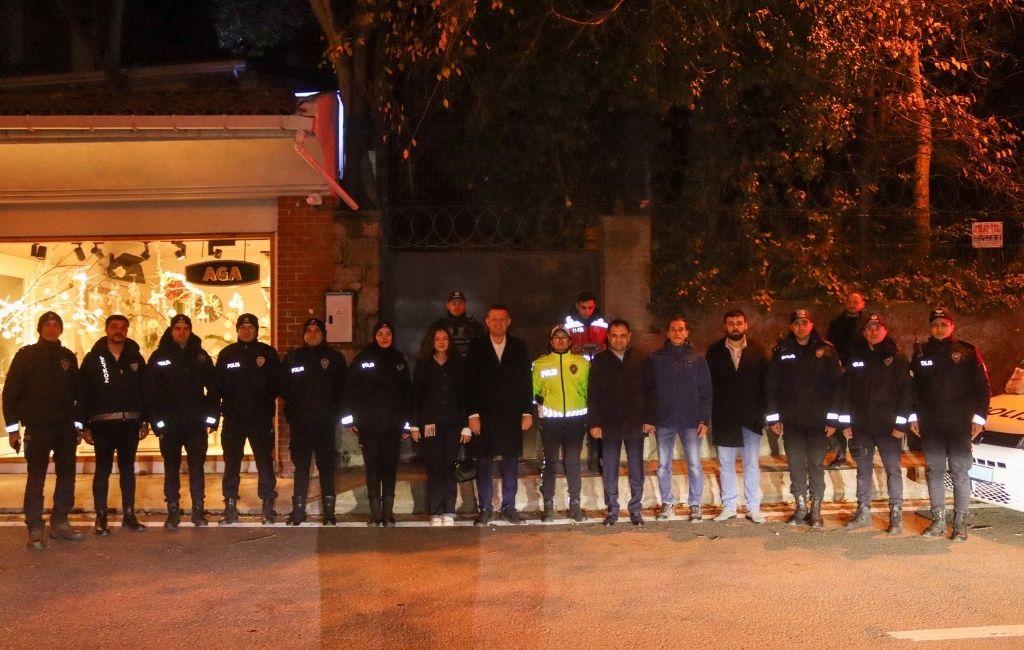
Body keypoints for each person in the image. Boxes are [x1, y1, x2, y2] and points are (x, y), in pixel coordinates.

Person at [2, 311, 83, 549]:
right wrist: (13, 429)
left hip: (65, 428)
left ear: (61, 329)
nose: (52, 328)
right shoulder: (26, 356)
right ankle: (35, 527)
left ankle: (60, 522)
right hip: (37, 427)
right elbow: (10, 394)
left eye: (56, 325)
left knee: (67, 475)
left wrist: (78, 425)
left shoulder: (68, 357)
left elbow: (78, 394)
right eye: (47, 325)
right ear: (40, 328)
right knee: (36, 478)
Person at [909, 307, 990, 542]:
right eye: (935, 324)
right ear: (930, 327)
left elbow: (982, 387)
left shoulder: (967, 352)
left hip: (958, 423)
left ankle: (960, 524)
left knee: (959, 471)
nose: (939, 328)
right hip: (931, 424)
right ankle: (938, 521)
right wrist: (913, 416)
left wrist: (979, 419)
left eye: (943, 324)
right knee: (934, 471)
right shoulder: (921, 353)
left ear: (952, 326)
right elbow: (912, 389)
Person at [765, 309, 842, 528]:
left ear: (811, 325)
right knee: (796, 465)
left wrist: (833, 421)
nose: (801, 327)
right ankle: (800, 508)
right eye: (797, 323)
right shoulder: (782, 351)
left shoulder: (826, 351)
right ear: (792, 327)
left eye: (804, 322)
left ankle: (816, 510)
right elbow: (771, 386)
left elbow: (837, 387)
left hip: (818, 422)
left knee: (816, 465)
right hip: (792, 421)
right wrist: (774, 418)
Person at [836, 313, 913, 534]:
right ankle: (863, 512)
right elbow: (846, 392)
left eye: (877, 327)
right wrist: (846, 423)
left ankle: (896, 514)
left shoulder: (897, 360)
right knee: (863, 471)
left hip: (889, 429)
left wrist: (901, 425)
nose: (873, 331)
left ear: (885, 330)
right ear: (864, 333)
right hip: (861, 427)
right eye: (869, 328)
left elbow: (907, 394)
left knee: (893, 470)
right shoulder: (856, 359)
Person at [145, 314, 219, 528]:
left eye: (185, 328)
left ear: (190, 330)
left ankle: (198, 511)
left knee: (197, 467)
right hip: (170, 425)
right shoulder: (159, 356)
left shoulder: (201, 356)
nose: (181, 332)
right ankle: (173, 512)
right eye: (177, 328)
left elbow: (214, 389)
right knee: (171, 468)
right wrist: (157, 424)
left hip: (195, 424)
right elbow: (150, 392)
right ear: (171, 331)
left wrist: (211, 419)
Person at [464, 305, 533, 526]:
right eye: (494, 319)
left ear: (509, 322)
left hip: (512, 413)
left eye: (502, 319)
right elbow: (470, 382)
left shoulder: (519, 346)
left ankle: (509, 507)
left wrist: (527, 411)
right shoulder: (477, 346)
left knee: (510, 462)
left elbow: (526, 381)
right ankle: (485, 508)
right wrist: (472, 414)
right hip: (484, 414)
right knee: (483, 462)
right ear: (487, 322)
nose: (498, 322)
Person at [79, 315, 148, 534]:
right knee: (103, 470)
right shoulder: (93, 358)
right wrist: (85, 426)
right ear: (107, 329)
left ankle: (129, 514)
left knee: (128, 470)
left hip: (130, 424)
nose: (119, 330)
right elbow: (83, 392)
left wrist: (144, 420)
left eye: (123, 327)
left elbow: (145, 390)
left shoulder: (135, 357)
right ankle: (101, 517)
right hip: (102, 425)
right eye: (114, 327)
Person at [644, 315, 713, 522]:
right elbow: (649, 390)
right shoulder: (656, 358)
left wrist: (705, 419)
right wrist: (649, 418)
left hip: (691, 421)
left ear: (687, 332)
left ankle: (695, 504)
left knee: (694, 465)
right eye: (674, 329)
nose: (677, 333)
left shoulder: (697, 358)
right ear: (668, 332)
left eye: (681, 329)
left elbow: (706, 391)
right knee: (664, 465)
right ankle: (667, 503)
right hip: (664, 420)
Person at [216, 313, 282, 525]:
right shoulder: (227, 354)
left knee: (264, 462)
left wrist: (263, 401)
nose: (246, 331)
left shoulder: (267, 353)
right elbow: (217, 386)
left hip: (260, 419)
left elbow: (277, 384)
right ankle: (230, 505)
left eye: (251, 327)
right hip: (233, 419)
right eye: (243, 327)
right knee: (232, 463)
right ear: (237, 330)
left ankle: (268, 505)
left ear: (256, 330)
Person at [344, 321, 412, 527]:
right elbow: (349, 390)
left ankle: (388, 513)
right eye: (380, 333)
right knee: (372, 468)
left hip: (393, 426)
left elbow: (408, 395)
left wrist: (407, 425)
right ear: (374, 336)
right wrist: (349, 419)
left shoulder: (399, 360)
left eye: (388, 333)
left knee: (390, 469)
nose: (384, 337)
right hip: (369, 426)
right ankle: (375, 514)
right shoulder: (363, 358)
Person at [282, 317, 348, 526]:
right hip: (300, 425)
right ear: (303, 335)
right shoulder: (293, 358)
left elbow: (344, 389)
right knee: (301, 468)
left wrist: (336, 414)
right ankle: (298, 511)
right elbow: (284, 388)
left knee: (326, 467)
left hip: (325, 425)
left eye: (316, 331)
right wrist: (291, 413)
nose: (312, 334)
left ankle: (329, 513)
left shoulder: (334, 358)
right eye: (308, 331)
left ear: (323, 334)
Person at [705, 309, 769, 524]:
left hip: (751, 417)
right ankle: (729, 506)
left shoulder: (758, 350)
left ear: (746, 325)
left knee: (751, 463)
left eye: (739, 322)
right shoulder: (714, 351)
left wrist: (766, 413)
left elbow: (766, 384)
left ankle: (753, 507)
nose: (735, 326)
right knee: (726, 464)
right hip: (724, 417)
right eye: (731, 323)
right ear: (725, 326)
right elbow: (708, 385)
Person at [588, 319, 648, 526]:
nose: (619, 339)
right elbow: (593, 394)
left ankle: (635, 510)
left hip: (635, 422)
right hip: (608, 424)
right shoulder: (599, 361)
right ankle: (612, 510)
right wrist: (594, 423)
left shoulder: (641, 358)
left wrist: (649, 419)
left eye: (623, 335)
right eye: (614, 335)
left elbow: (651, 390)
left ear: (629, 337)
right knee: (609, 469)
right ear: (608, 337)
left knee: (636, 469)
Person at [410, 325, 469, 526]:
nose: (441, 342)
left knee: (449, 467)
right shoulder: (423, 365)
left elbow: (464, 396)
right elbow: (416, 396)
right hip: (430, 424)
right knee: (434, 467)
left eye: (445, 338)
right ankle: (435, 511)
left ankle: (449, 510)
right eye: (437, 338)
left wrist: (465, 425)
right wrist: (414, 425)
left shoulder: (458, 364)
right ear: (431, 341)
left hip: (453, 424)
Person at [533, 324, 590, 523]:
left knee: (572, 462)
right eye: (556, 337)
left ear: (570, 341)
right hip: (551, 421)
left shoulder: (581, 363)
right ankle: (548, 505)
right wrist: (539, 407)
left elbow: (588, 390)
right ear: (551, 342)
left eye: (564, 337)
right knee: (551, 463)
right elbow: (534, 391)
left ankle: (575, 504)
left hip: (576, 420)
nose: (560, 340)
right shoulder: (540, 364)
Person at [564, 291, 609, 473]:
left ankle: (597, 456)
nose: (587, 311)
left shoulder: (602, 323)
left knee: (599, 417)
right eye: (583, 308)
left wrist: (605, 348)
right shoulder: (567, 323)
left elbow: (614, 344)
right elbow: (555, 346)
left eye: (590, 307)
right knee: (577, 419)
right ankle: (572, 460)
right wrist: (570, 349)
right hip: (575, 375)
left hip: (598, 373)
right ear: (577, 305)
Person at [825, 291, 868, 467]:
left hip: (861, 374)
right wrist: (837, 365)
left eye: (856, 301)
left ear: (863, 303)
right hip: (839, 373)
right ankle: (840, 452)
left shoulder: (868, 323)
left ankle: (859, 452)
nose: (852, 304)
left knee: (858, 412)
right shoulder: (836, 323)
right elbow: (830, 346)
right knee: (838, 412)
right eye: (849, 301)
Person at [433, 290, 485, 360]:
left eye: (460, 303)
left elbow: (483, 351)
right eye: (453, 303)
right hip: (445, 365)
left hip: (469, 365)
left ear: (465, 305)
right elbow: (428, 349)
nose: (457, 307)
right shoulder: (438, 326)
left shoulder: (475, 326)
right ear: (448, 305)